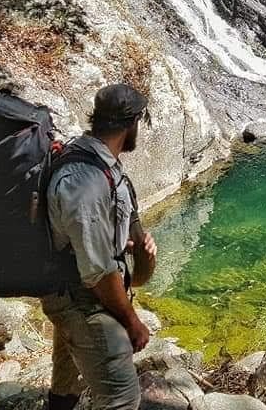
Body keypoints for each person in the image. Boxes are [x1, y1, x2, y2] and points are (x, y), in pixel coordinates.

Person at [41, 84, 159, 410]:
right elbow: (98, 272)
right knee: (122, 397)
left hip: (70, 288)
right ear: (132, 123)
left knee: (68, 371)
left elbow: (107, 255)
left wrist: (134, 250)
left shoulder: (94, 157)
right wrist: (132, 322)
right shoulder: (86, 182)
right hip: (79, 298)